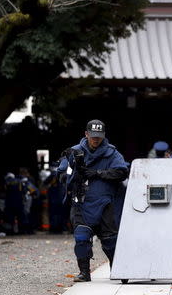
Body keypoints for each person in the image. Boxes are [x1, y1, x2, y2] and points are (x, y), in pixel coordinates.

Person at [58, 119, 128, 282]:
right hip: (81, 202)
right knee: (81, 237)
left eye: (99, 136)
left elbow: (122, 172)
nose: (96, 139)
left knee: (110, 240)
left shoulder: (112, 153)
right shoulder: (74, 152)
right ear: (86, 134)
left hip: (105, 202)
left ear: (103, 135)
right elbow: (61, 173)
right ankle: (84, 272)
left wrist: (97, 173)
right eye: (93, 136)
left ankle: (118, 269)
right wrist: (72, 176)